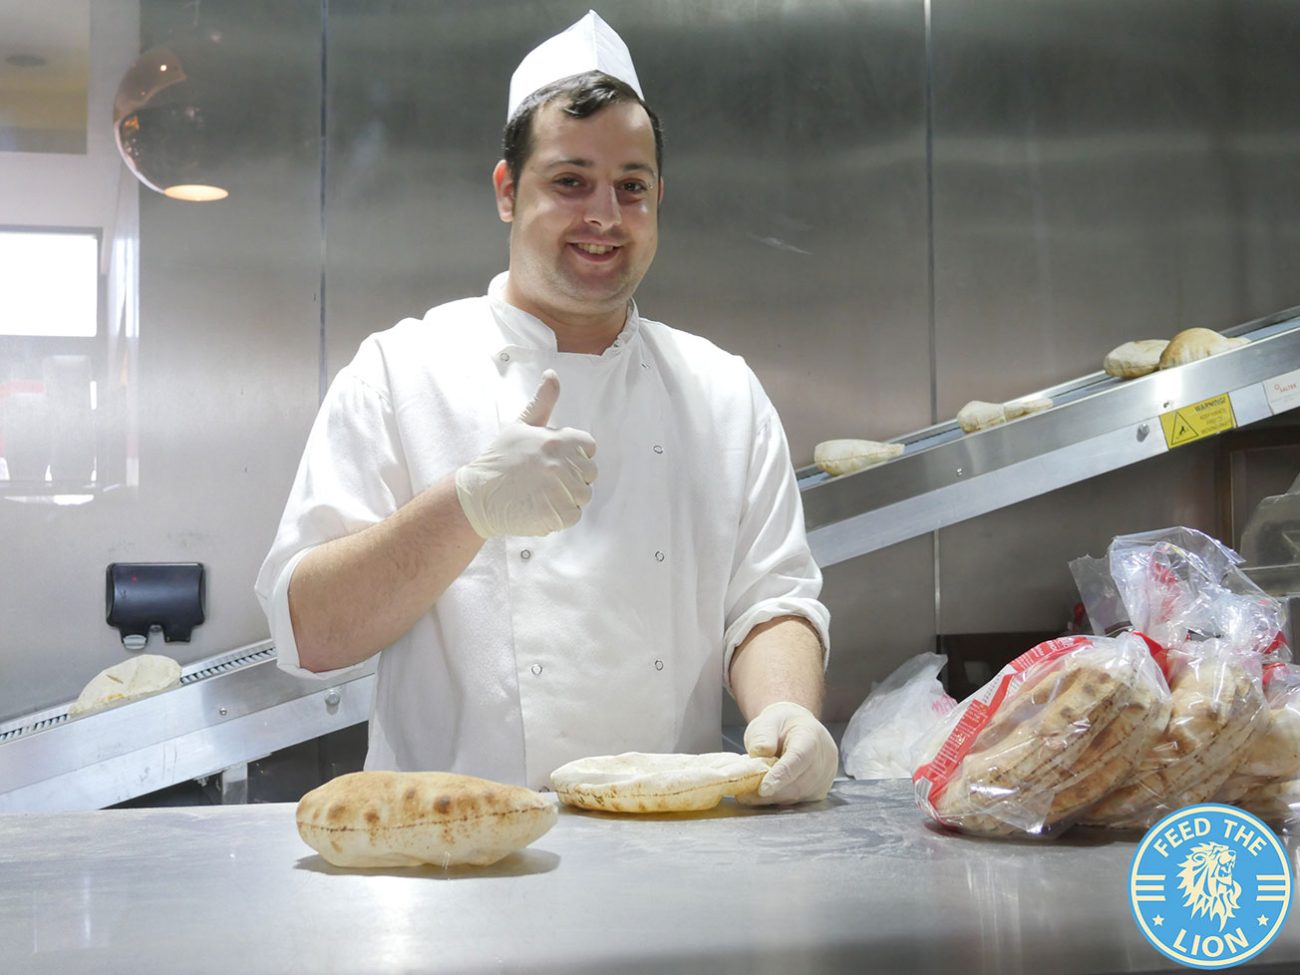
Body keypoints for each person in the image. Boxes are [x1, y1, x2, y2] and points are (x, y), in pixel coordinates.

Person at [255, 11, 836, 805]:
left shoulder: (722, 391)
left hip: (673, 845)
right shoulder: (400, 373)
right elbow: (311, 634)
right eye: (570, 181)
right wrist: (464, 507)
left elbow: (771, 602)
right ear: (507, 191)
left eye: (631, 187)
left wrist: (786, 710)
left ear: (659, 199)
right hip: (451, 846)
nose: (605, 216)